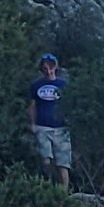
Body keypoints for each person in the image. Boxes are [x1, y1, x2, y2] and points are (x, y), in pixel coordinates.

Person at [29, 53, 72, 186]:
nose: (48, 70)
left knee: (63, 164)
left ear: (55, 67)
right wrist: (33, 124)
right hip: (43, 127)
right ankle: (48, 185)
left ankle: (63, 193)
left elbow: (70, 103)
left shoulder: (63, 84)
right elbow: (32, 105)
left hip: (61, 128)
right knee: (45, 159)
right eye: (45, 67)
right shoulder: (36, 85)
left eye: (51, 67)